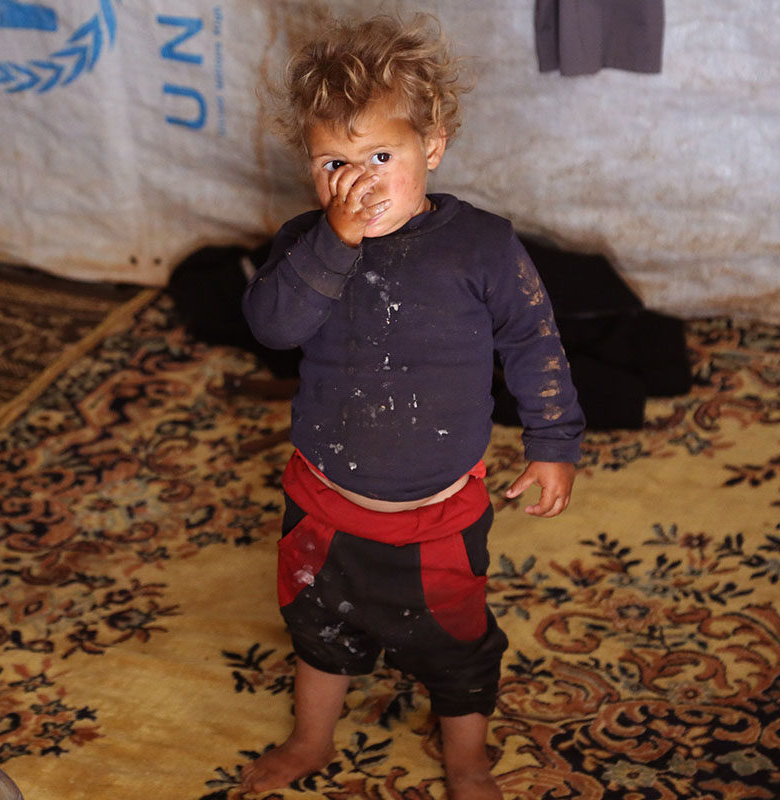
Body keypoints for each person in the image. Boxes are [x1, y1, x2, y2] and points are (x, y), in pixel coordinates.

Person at [242, 12, 585, 799]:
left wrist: (553, 441)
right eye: (333, 162)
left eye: (382, 156)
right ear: (308, 163)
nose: (357, 183)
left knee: (456, 643)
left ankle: (466, 762)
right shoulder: (306, 243)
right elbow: (272, 326)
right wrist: (333, 242)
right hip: (324, 501)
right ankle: (310, 740)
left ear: (433, 148)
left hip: (438, 514)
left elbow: (534, 341)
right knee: (317, 632)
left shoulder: (484, 247)